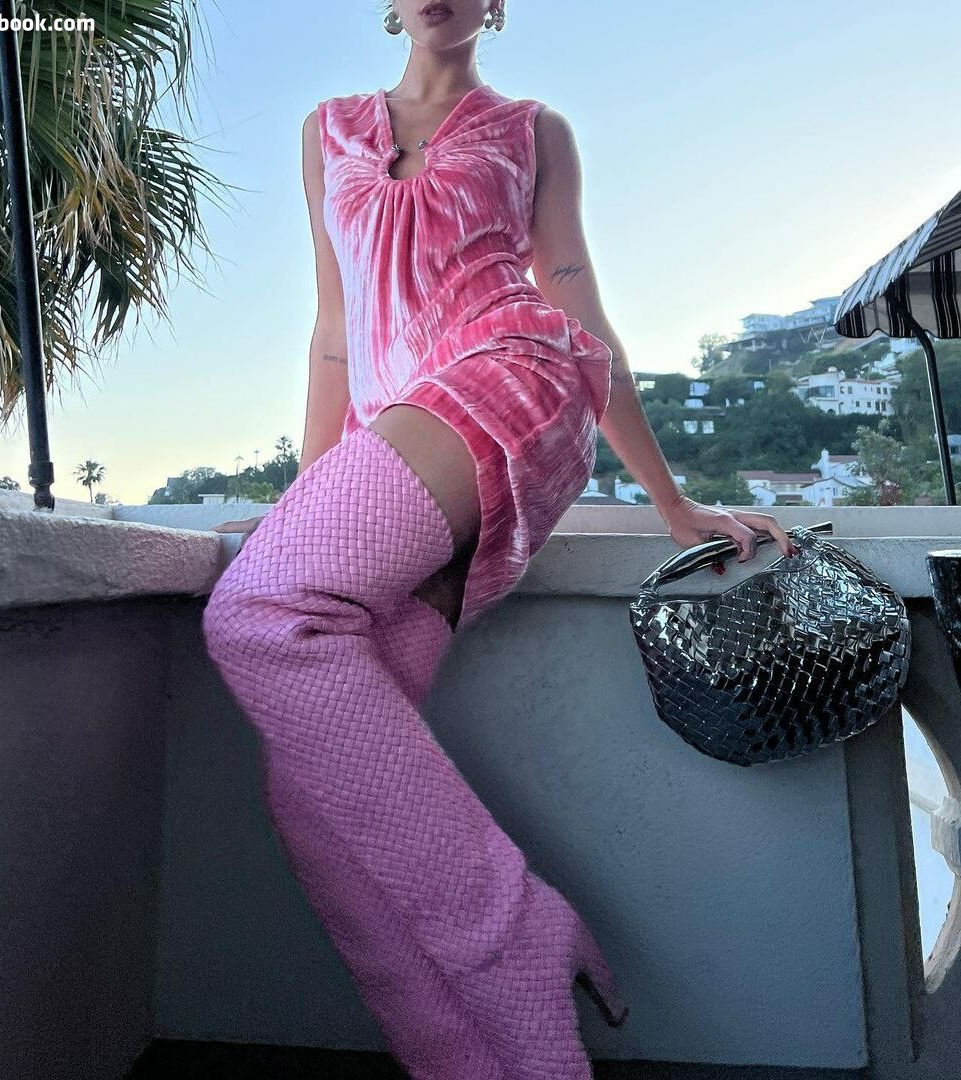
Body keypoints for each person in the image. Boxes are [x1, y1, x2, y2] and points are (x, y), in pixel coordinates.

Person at [202, 2, 796, 1076]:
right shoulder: (327, 129)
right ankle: (484, 1056)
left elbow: (580, 308)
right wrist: (310, 494)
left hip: (516, 376)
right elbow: (335, 328)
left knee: (258, 610)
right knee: (309, 799)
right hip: (398, 431)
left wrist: (670, 501)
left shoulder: (532, 129)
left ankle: (513, 926)